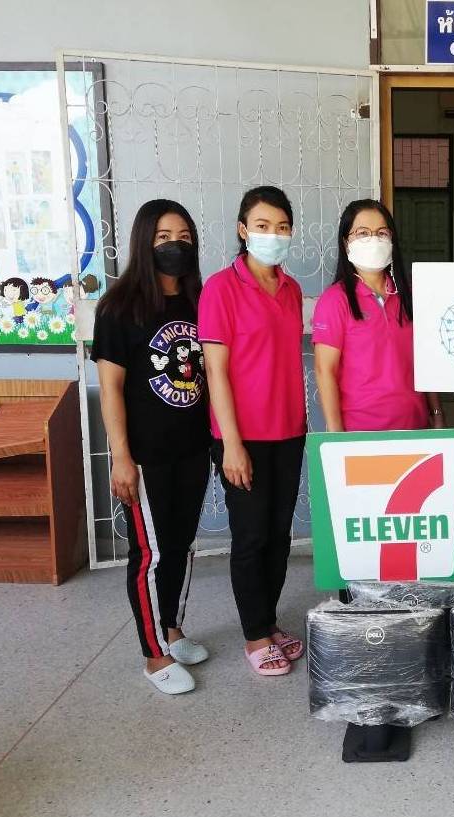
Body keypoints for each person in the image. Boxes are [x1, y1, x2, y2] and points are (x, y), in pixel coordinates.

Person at [91, 199, 211, 695]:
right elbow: (111, 389)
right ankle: (153, 654)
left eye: (184, 236)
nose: (175, 245)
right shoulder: (119, 308)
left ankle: (173, 629)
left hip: (194, 449)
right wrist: (122, 458)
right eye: (164, 237)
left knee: (182, 545)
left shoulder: (201, 302)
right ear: (145, 241)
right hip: (145, 456)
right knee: (150, 555)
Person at [198, 186, 307, 677]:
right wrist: (231, 445)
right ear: (243, 230)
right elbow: (216, 372)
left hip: (289, 431)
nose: (272, 235)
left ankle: (268, 621)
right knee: (251, 536)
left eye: (282, 227)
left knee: (279, 535)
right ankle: (255, 635)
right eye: (262, 226)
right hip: (243, 438)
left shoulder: (291, 289)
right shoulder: (221, 288)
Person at [312, 200, 444, 432]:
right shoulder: (335, 300)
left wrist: (437, 414)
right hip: (360, 432)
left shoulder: (410, 295)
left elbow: (425, 361)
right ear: (346, 242)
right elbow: (325, 371)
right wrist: (336, 436)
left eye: (382, 233)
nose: (373, 240)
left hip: (414, 427)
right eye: (363, 233)